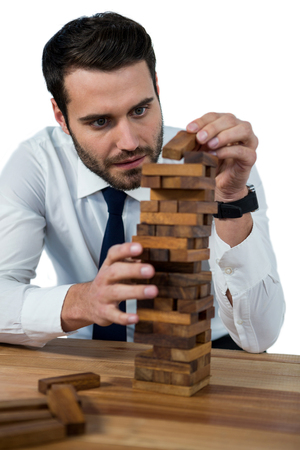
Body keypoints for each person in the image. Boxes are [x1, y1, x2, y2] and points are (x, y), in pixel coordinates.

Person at [0, 12, 285, 352]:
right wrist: (83, 301)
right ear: (61, 117)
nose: (130, 142)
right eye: (100, 121)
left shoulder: (218, 164)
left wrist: (231, 199)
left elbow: (260, 337)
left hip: (212, 347)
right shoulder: (38, 163)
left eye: (139, 111)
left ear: (157, 91)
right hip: (88, 349)